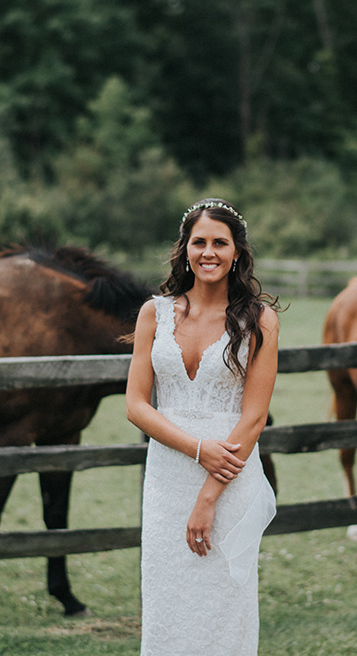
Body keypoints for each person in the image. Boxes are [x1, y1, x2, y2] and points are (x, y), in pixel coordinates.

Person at [126, 198, 281, 656]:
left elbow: (252, 419)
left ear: (237, 252)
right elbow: (136, 405)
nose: (208, 252)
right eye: (199, 242)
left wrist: (209, 494)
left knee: (223, 603)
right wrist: (197, 448)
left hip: (229, 478)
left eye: (220, 242)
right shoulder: (153, 314)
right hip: (167, 479)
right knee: (167, 600)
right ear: (184, 249)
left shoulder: (260, 321)